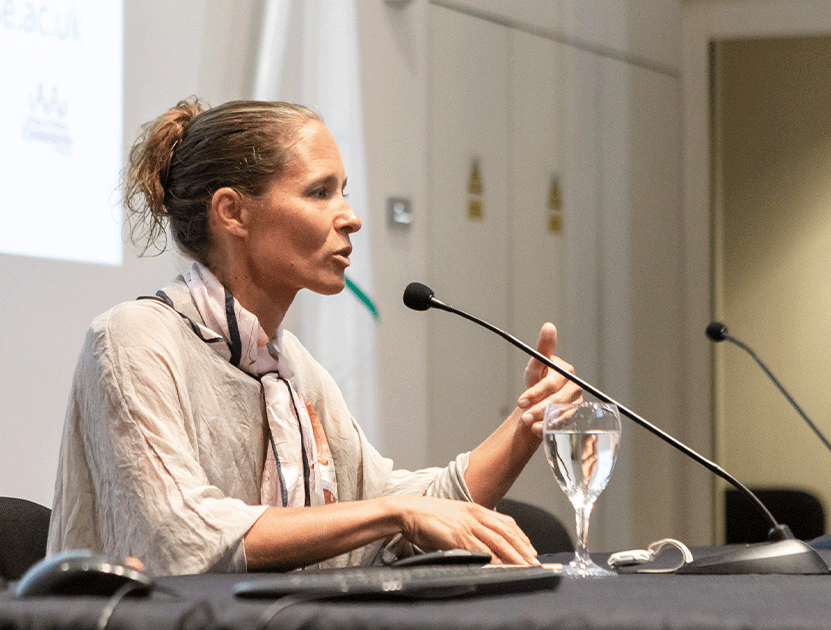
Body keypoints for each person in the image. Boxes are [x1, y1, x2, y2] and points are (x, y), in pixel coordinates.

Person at [47, 97, 581, 576]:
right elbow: (181, 537)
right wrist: (396, 513)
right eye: (320, 192)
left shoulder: (287, 364)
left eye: (344, 191)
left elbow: (403, 519)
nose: (350, 217)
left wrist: (526, 425)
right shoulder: (130, 340)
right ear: (232, 212)